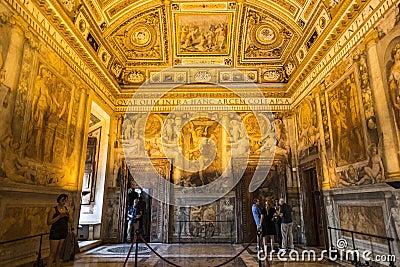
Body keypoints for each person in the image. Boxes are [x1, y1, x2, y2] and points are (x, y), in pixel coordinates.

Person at [47, 194, 73, 267]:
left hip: (64, 232)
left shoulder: (67, 209)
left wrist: (69, 214)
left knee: (59, 253)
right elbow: (49, 222)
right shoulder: (53, 210)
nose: (64, 202)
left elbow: (70, 221)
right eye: (62, 200)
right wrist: (59, 216)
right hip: (55, 232)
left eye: (65, 200)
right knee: (53, 253)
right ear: (59, 200)